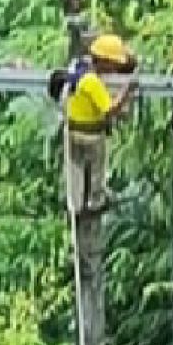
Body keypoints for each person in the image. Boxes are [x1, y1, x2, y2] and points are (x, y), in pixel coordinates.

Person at [62, 33, 137, 215]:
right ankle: (96, 201)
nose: (115, 68)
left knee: (76, 169)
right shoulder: (92, 82)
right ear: (103, 61)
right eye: (113, 64)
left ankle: (76, 204)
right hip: (91, 135)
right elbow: (110, 110)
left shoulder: (78, 72)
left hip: (72, 131)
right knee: (96, 169)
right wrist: (127, 91)